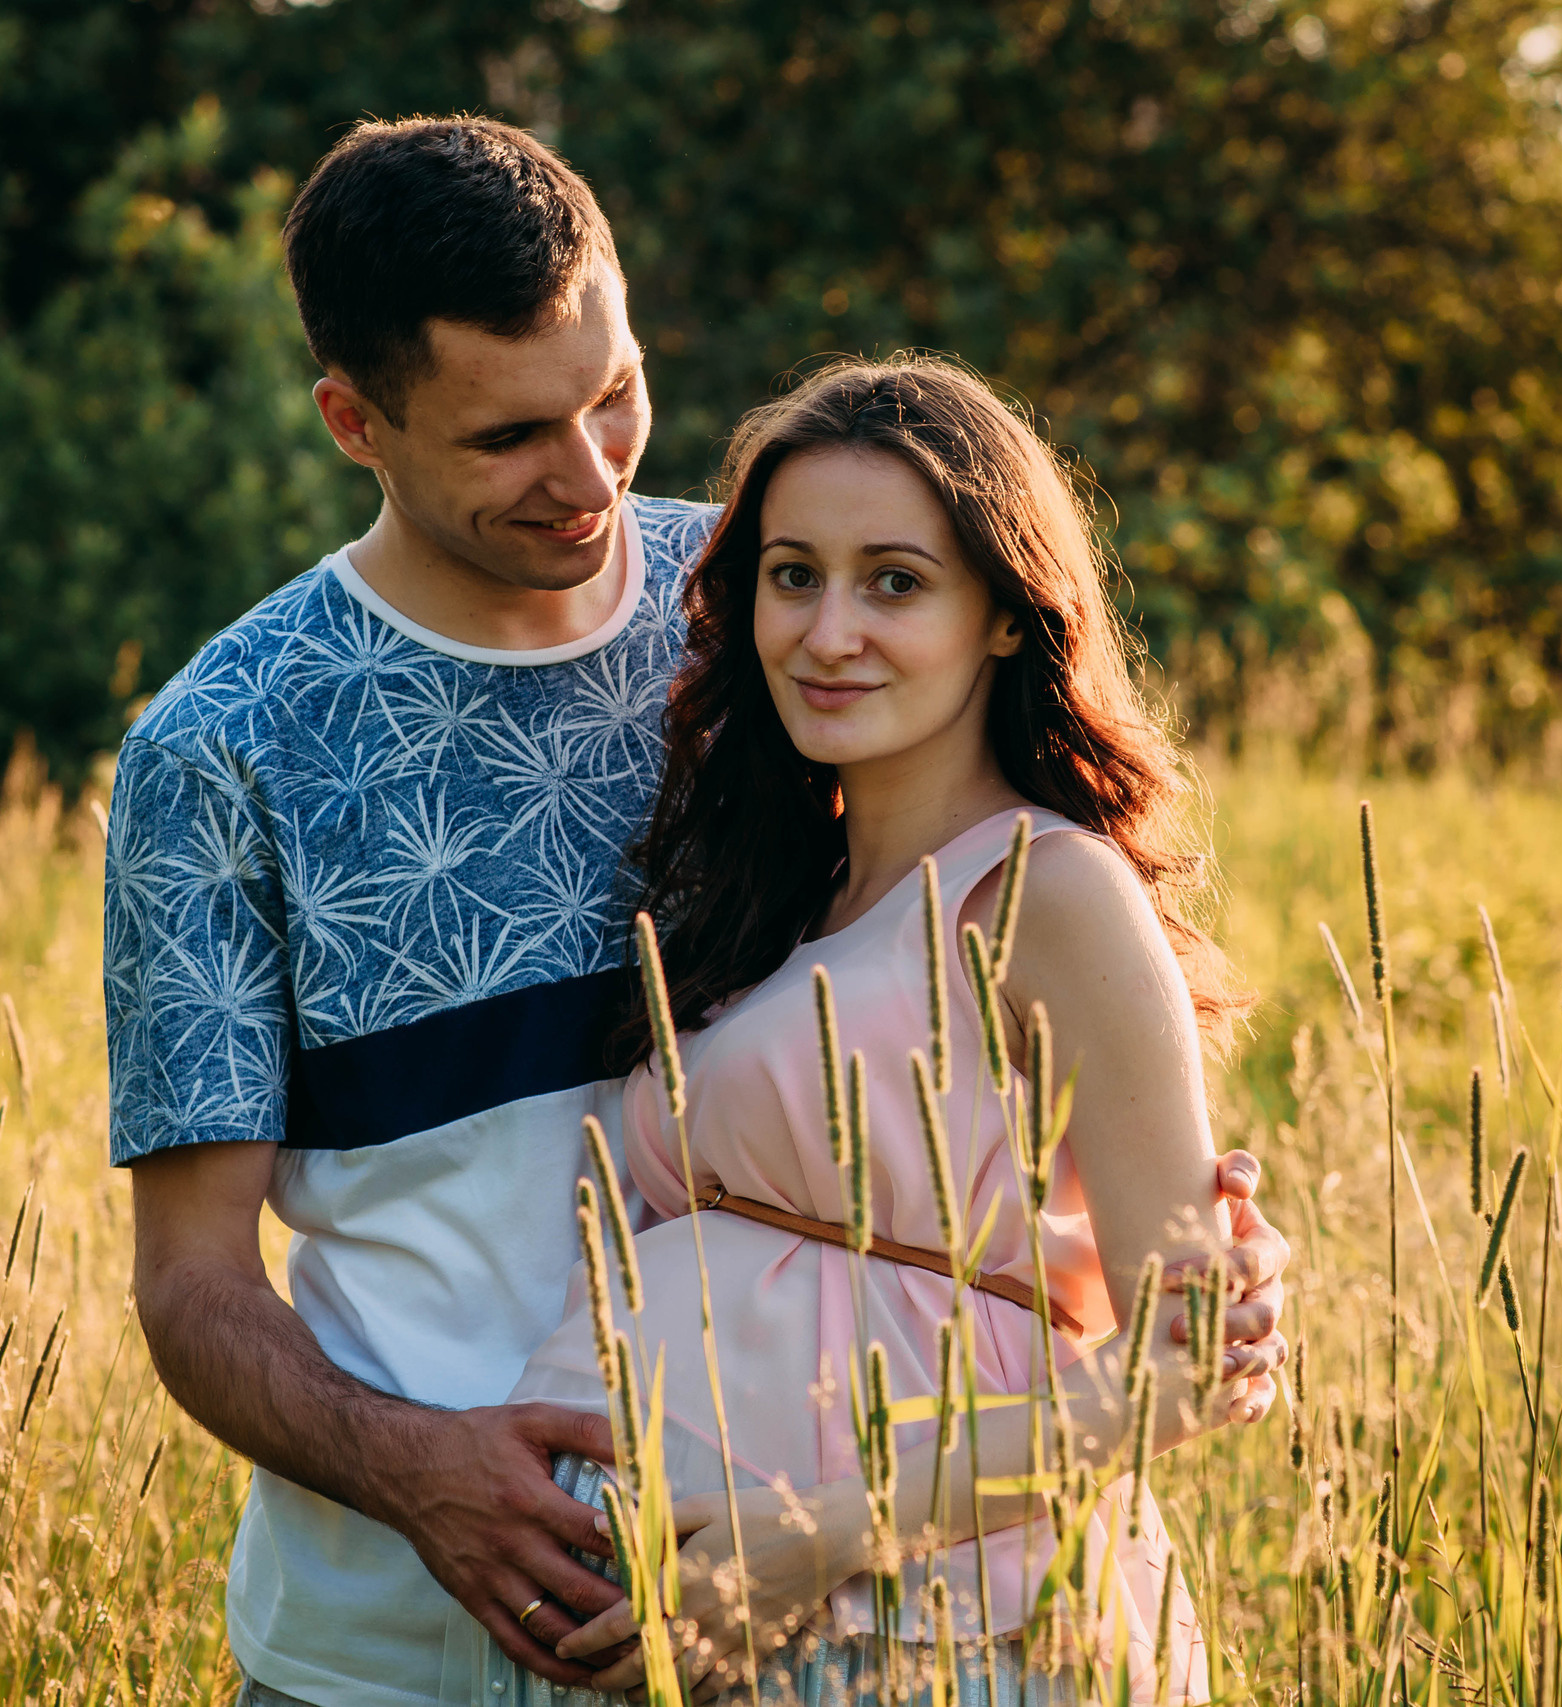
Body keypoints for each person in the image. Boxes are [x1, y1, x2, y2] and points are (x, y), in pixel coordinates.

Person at [106, 115, 1286, 1707]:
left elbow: (937, 1031)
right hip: (381, 1642)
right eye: (512, 434)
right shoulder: (225, 744)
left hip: (818, 1627)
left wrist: (1139, 1269)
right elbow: (192, 1289)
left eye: (615, 396)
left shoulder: (751, 615)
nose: (592, 475)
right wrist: (423, 1475)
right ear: (352, 420)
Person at [498, 356, 1269, 1706]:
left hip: (918, 1616)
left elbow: (1191, 1360)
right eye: (793, 575)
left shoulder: (1049, 892)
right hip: (686, 1628)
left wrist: (812, 1542)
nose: (828, 629)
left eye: (895, 582)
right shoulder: (776, 898)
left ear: (1008, 620)